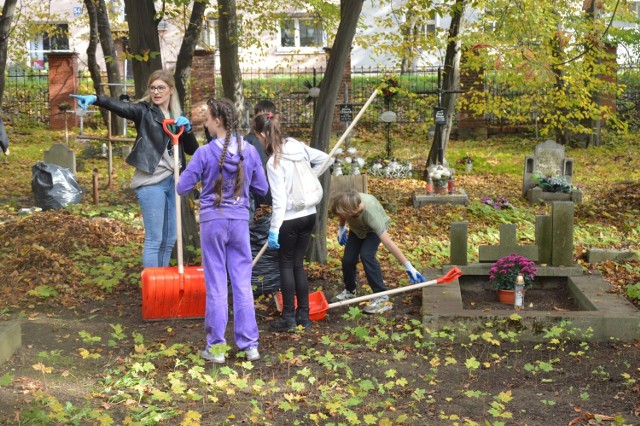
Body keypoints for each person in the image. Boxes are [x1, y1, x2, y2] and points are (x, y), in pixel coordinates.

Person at [71, 70, 199, 268]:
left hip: (174, 181)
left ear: (171, 90)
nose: (156, 92)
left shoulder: (177, 116)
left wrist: (188, 130)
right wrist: (96, 99)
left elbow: (192, 150)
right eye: (153, 88)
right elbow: (122, 107)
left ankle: (162, 286)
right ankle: (152, 289)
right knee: (155, 239)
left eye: (161, 88)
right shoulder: (144, 111)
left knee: (170, 238)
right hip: (151, 181)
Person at [176, 98, 268, 363]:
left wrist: (199, 189)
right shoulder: (248, 151)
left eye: (207, 116)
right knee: (242, 283)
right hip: (239, 222)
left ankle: (216, 348)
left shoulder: (205, 153)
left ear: (217, 120)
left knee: (216, 284)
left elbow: (182, 187)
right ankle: (250, 345)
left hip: (212, 222)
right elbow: (262, 188)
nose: (204, 121)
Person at [254, 112, 333, 332]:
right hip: (309, 216)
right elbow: (329, 158)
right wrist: (311, 176)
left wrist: (273, 230)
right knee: (298, 265)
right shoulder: (297, 146)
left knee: (286, 266)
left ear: (262, 134)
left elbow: (279, 201)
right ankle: (304, 317)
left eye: (258, 138)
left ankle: (288, 318)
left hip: (289, 219)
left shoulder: (274, 162)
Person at [330, 189, 426, 314]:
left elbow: (388, 242)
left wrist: (408, 266)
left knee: (367, 255)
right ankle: (349, 291)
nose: (342, 216)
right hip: (357, 229)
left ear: (352, 211)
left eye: (344, 214)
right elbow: (341, 213)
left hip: (373, 231)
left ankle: (382, 297)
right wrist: (341, 227)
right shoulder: (348, 202)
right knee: (348, 260)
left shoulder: (371, 215)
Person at [244, 99, 276, 211]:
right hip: (257, 201)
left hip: (278, 197)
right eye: (260, 117)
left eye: (267, 117)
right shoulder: (248, 142)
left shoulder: (282, 141)